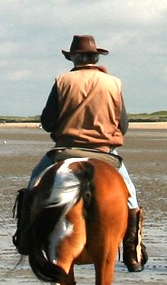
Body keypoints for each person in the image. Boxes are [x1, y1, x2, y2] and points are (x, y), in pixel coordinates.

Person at [28, 35, 146, 270]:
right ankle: (133, 251)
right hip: (105, 153)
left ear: (73, 58)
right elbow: (123, 125)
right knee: (131, 198)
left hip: (65, 151)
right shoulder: (114, 83)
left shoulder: (62, 81)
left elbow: (48, 121)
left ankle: (25, 238)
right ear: (95, 57)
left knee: (33, 186)